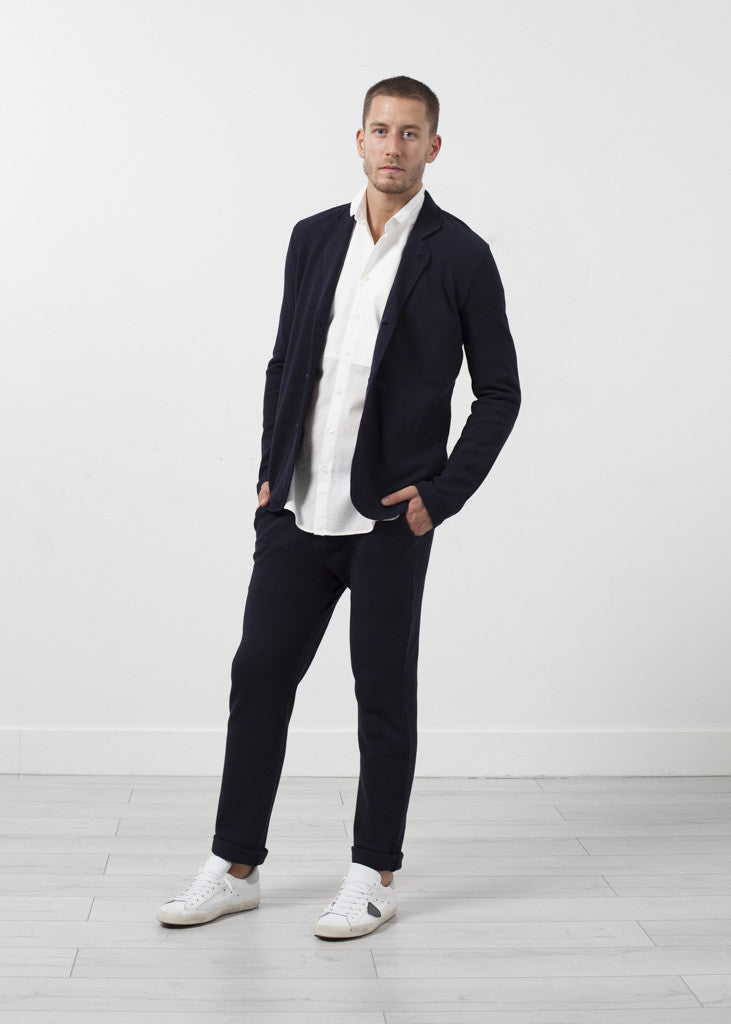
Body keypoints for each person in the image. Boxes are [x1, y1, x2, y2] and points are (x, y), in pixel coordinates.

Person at [157, 75, 521, 940]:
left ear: (434, 147)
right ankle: (235, 867)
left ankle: (373, 874)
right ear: (358, 139)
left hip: (389, 518)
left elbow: (499, 392)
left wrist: (439, 496)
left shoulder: (461, 255)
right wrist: (267, 473)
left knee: (381, 695)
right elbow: (286, 362)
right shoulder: (312, 238)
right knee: (258, 678)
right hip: (296, 508)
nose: (393, 146)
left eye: (410, 133)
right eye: (380, 130)